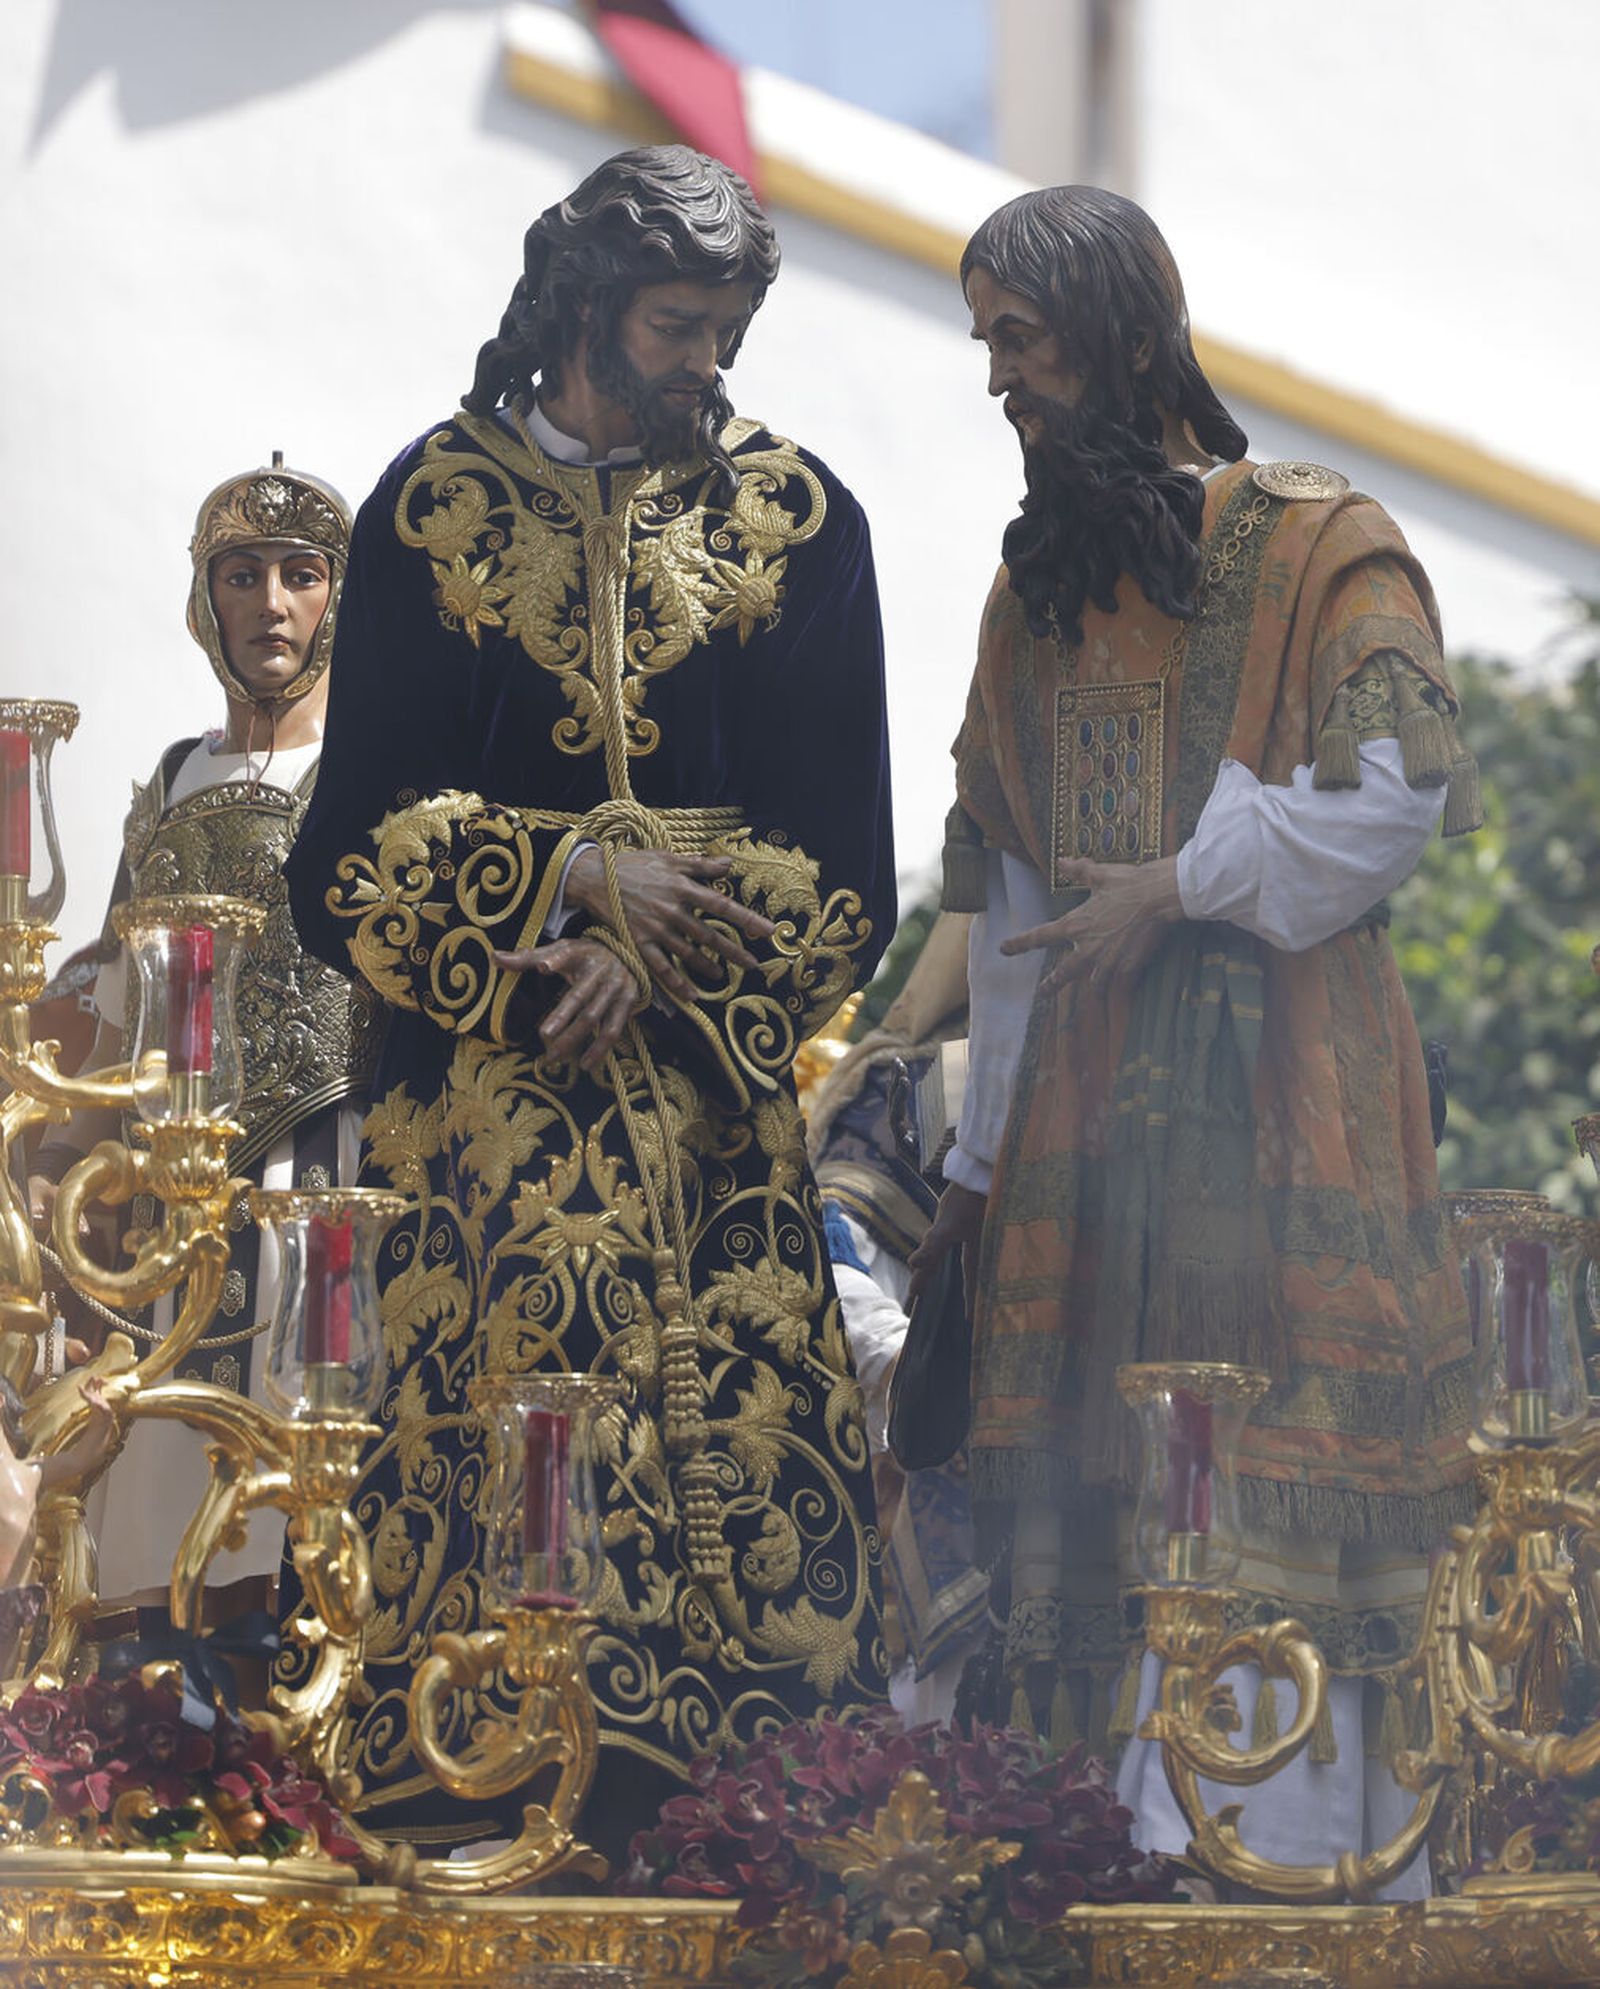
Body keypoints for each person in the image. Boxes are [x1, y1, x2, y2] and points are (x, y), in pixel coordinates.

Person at [282, 145, 895, 1854]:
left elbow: (847, 867)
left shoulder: (800, 519)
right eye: (679, 323)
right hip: (481, 1137)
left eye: (728, 329)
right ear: (580, 309)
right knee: (480, 1538)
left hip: (710, 1153)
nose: (711, 361)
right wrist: (559, 878)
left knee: (738, 1580)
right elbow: (343, 853)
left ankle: (739, 1856)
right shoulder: (426, 509)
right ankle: (461, 1823)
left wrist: (649, 941)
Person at [912, 186, 1480, 1886]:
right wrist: (965, 1178)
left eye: (1019, 336)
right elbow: (1013, 931)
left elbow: (1396, 804)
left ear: (1117, 326)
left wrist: (1181, 877)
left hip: (1293, 1112)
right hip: (1085, 1179)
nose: (999, 377)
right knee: (1093, 1577)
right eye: (985, 342)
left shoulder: (1325, 541)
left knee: (1282, 1545)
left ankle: (1297, 1889)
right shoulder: (1026, 610)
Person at [30, 457, 377, 1622]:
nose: (270, 605)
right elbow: (118, 1018)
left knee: (304, 1490)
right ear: (205, 600)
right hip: (169, 1202)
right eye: (241, 575)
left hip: (322, 1176)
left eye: (300, 576)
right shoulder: (174, 783)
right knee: (157, 1517)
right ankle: (168, 1769)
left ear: (339, 598)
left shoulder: (371, 775)